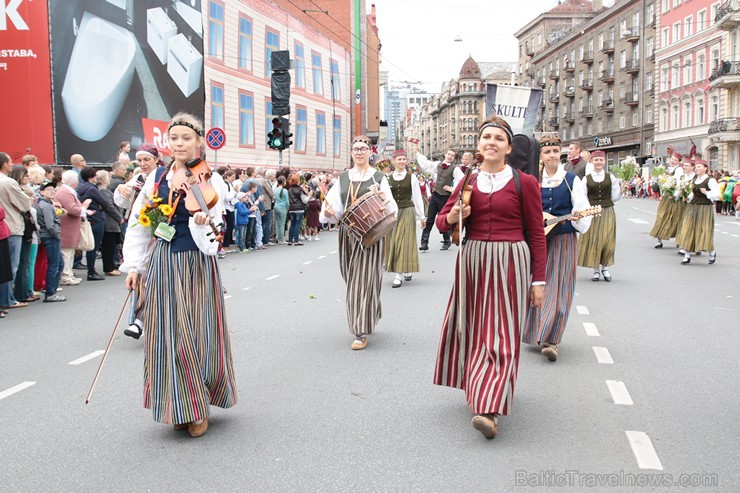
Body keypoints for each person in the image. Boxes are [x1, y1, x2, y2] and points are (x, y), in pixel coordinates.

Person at [121, 112, 237, 437]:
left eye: (186, 138)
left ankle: (197, 406)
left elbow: (215, 229)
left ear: (198, 141)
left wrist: (202, 224)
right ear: (168, 142)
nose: (180, 144)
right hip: (161, 262)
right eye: (174, 139)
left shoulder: (208, 179)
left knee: (195, 334)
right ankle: (178, 404)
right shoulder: (157, 176)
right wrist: (135, 266)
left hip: (195, 264)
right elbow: (141, 223)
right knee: (165, 337)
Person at [433, 117, 546, 439]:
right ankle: (480, 386)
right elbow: (442, 222)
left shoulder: (524, 182)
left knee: (503, 334)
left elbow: (537, 234)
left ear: (509, 148)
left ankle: (489, 408)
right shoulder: (468, 180)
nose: (491, 142)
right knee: (474, 327)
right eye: (486, 137)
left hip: (511, 259)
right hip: (473, 261)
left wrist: (539, 280)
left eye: (498, 138)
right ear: (479, 145)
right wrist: (453, 216)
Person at [321, 135, 399, 350]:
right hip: (348, 235)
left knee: (361, 282)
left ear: (370, 152)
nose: (359, 152)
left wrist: (382, 199)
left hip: (372, 235)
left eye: (363, 148)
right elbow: (334, 206)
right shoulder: (343, 178)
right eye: (356, 149)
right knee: (352, 278)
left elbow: (392, 206)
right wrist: (328, 212)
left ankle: (359, 331)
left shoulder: (379, 177)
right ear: (351, 152)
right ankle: (371, 310)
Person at [522, 134, 591, 362]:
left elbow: (581, 209)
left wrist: (575, 219)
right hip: (539, 238)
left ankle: (552, 339)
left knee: (560, 286)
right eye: (547, 152)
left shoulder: (572, 180)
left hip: (563, 238)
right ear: (541, 156)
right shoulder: (534, 180)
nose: (552, 155)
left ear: (560, 154)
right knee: (537, 284)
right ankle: (536, 331)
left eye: (555, 151)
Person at [577, 150, 621, 282]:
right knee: (595, 240)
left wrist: (620, 190)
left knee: (607, 241)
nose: (599, 162)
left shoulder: (610, 177)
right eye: (596, 160)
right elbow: (582, 197)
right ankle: (596, 269)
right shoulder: (586, 178)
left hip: (607, 211)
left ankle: (605, 267)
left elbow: (615, 196)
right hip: (592, 212)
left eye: (601, 160)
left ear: (604, 162)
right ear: (591, 161)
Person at [384, 149, 425, 288]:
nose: (402, 162)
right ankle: (406, 269)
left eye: (404, 159)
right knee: (394, 241)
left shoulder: (411, 177)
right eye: (399, 159)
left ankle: (399, 274)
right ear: (394, 161)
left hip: (407, 210)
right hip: (393, 213)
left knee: (404, 240)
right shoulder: (387, 178)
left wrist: (422, 216)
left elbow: (417, 197)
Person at [0, 153, 32, 310]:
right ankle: (7, 299)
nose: (12, 164)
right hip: (11, 226)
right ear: (5, 164)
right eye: (10, 162)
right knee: (11, 265)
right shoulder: (8, 182)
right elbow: (25, 204)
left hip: (6, 226)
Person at [415, 147, 463, 251]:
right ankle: (424, 242)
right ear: (445, 154)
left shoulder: (455, 168)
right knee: (430, 219)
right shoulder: (437, 164)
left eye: (452, 155)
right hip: (435, 195)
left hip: (445, 197)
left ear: (454, 158)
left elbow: (462, 181)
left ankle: (447, 240)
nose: (450, 156)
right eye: (448, 154)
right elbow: (426, 164)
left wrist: (452, 189)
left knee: (443, 219)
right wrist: (418, 154)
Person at [675, 159, 720, 265]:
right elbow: (692, 193)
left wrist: (707, 193)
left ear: (705, 168)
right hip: (692, 207)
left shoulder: (710, 180)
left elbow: (717, 195)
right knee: (687, 228)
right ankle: (687, 255)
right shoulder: (694, 179)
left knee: (704, 230)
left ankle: (711, 252)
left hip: (704, 208)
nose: (696, 168)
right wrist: (687, 197)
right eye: (696, 167)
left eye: (699, 166)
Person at [77, 166, 115, 281]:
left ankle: (90, 269)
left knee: (90, 244)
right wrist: (100, 206)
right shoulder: (93, 189)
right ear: (92, 177)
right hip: (97, 218)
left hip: (87, 217)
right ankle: (91, 271)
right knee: (93, 245)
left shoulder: (80, 188)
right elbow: (105, 203)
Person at [56, 171, 90, 286]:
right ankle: (66, 276)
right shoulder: (65, 192)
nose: (78, 182)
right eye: (76, 179)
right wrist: (84, 207)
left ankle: (69, 274)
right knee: (66, 253)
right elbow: (72, 209)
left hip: (69, 226)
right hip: (67, 227)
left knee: (69, 252)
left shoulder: (66, 191)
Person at [35, 182, 66, 302]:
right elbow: (50, 224)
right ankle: (50, 292)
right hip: (50, 236)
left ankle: (52, 289)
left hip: (47, 236)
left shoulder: (44, 204)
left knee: (58, 263)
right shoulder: (46, 206)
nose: (52, 192)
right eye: (49, 190)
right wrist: (56, 234)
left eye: (53, 189)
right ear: (42, 192)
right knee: (55, 264)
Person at [650, 151, 685, 248]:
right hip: (666, 196)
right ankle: (659, 239)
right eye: (672, 159)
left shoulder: (679, 170)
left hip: (674, 197)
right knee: (661, 216)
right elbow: (663, 183)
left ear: (679, 161)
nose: (672, 161)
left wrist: (674, 194)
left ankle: (679, 239)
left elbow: (679, 183)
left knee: (675, 217)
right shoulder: (668, 169)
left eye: (675, 160)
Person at [96, 171, 124, 276]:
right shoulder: (103, 191)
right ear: (103, 180)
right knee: (108, 246)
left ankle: (111, 266)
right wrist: (119, 217)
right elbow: (109, 207)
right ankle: (109, 268)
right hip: (109, 222)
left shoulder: (105, 191)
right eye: (108, 177)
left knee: (111, 246)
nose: (109, 179)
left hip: (112, 222)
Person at [287, 174, 308, 246]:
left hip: (291, 208)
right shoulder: (300, 190)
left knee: (292, 224)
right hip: (299, 208)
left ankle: (290, 240)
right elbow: (304, 200)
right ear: (298, 181)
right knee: (297, 224)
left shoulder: (289, 189)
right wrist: (309, 195)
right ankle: (296, 240)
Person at [273, 176, 289, 244]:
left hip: (276, 206)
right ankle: (281, 239)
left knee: (277, 222)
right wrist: (287, 208)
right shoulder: (285, 191)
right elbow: (287, 201)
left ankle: (277, 236)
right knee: (282, 223)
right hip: (282, 207)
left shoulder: (275, 190)